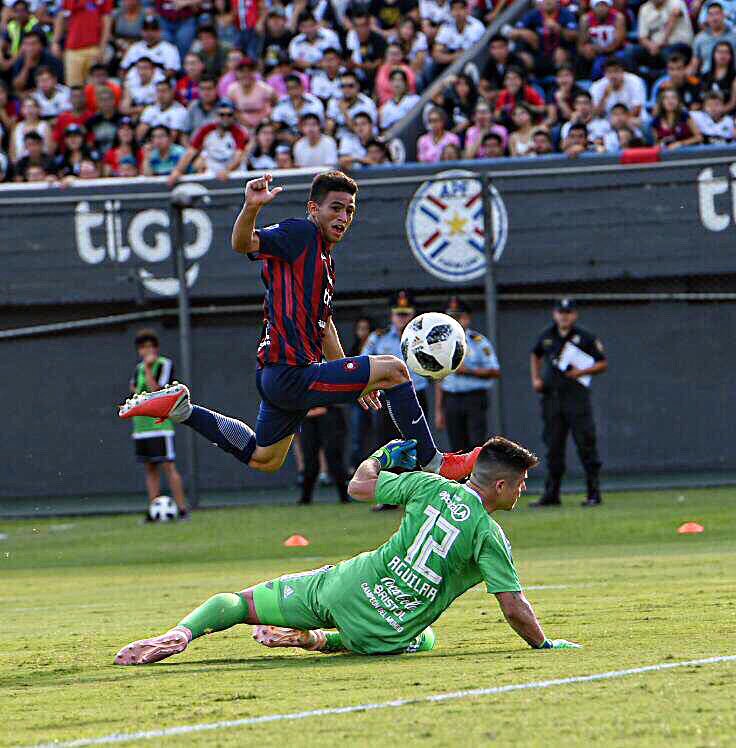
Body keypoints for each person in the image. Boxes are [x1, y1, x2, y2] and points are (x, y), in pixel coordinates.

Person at [119, 172, 480, 488]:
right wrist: (252, 206)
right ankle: (435, 462)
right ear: (313, 209)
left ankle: (183, 410)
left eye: (349, 210)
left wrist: (354, 376)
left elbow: (324, 327)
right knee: (397, 370)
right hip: (291, 372)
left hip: (282, 376)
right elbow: (242, 243)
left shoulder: (325, 259)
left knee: (265, 458)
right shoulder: (301, 234)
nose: (343, 216)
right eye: (335, 207)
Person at [114, 436, 581, 664]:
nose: (521, 491)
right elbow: (513, 606)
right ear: (499, 485)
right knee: (427, 639)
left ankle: (179, 635)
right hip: (386, 629)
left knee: (239, 603)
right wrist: (542, 643)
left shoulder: (428, 486)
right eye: (519, 483)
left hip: (345, 585)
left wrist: (382, 454)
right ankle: (319, 641)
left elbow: (359, 487)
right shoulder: (490, 536)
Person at [529, 298, 607, 509]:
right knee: (553, 447)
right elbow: (535, 355)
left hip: (576, 398)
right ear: (555, 314)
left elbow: (602, 363)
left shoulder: (586, 337)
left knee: (585, 444)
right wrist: (536, 379)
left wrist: (582, 371)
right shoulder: (546, 335)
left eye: (568, 312)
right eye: (560, 312)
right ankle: (551, 494)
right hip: (552, 398)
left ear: (575, 315)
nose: (564, 316)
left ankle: (593, 493)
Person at [127, 329, 188, 520]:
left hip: (159, 425)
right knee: (150, 468)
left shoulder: (164, 365)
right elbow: (135, 391)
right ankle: (154, 511)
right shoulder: (138, 369)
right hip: (142, 427)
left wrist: (147, 368)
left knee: (168, 466)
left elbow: (156, 390)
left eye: (150, 347)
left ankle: (182, 509)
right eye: (143, 347)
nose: (147, 351)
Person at [434, 297, 500, 453]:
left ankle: (476, 477)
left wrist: (468, 371)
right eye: (451, 317)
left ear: (467, 318)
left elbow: (495, 371)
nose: (454, 321)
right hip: (451, 398)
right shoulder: (439, 343)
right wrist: (439, 409)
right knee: (456, 445)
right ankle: (460, 478)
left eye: (458, 316)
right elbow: (439, 378)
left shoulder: (478, 341)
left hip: (474, 398)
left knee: (476, 443)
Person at [168, 99, 247, 184]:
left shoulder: (239, 132)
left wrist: (227, 170)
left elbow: (238, 156)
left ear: (234, 116)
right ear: (216, 115)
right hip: (212, 170)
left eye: (229, 115)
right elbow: (190, 152)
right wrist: (178, 171)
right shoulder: (206, 130)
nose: (225, 118)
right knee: (199, 166)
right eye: (222, 115)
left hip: (233, 171)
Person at [298, 406, 350, 505]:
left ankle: (345, 496)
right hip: (307, 415)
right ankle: (305, 498)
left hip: (330, 413)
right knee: (309, 458)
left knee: (333, 456)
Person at [348, 315, 374, 470]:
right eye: (360, 329)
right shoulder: (354, 349)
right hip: (358, 398)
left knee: (377, 433)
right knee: (357, 434)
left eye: (365, 329)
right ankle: (356, 466)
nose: (362, 333)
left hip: (375, 396)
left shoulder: (375, 344)